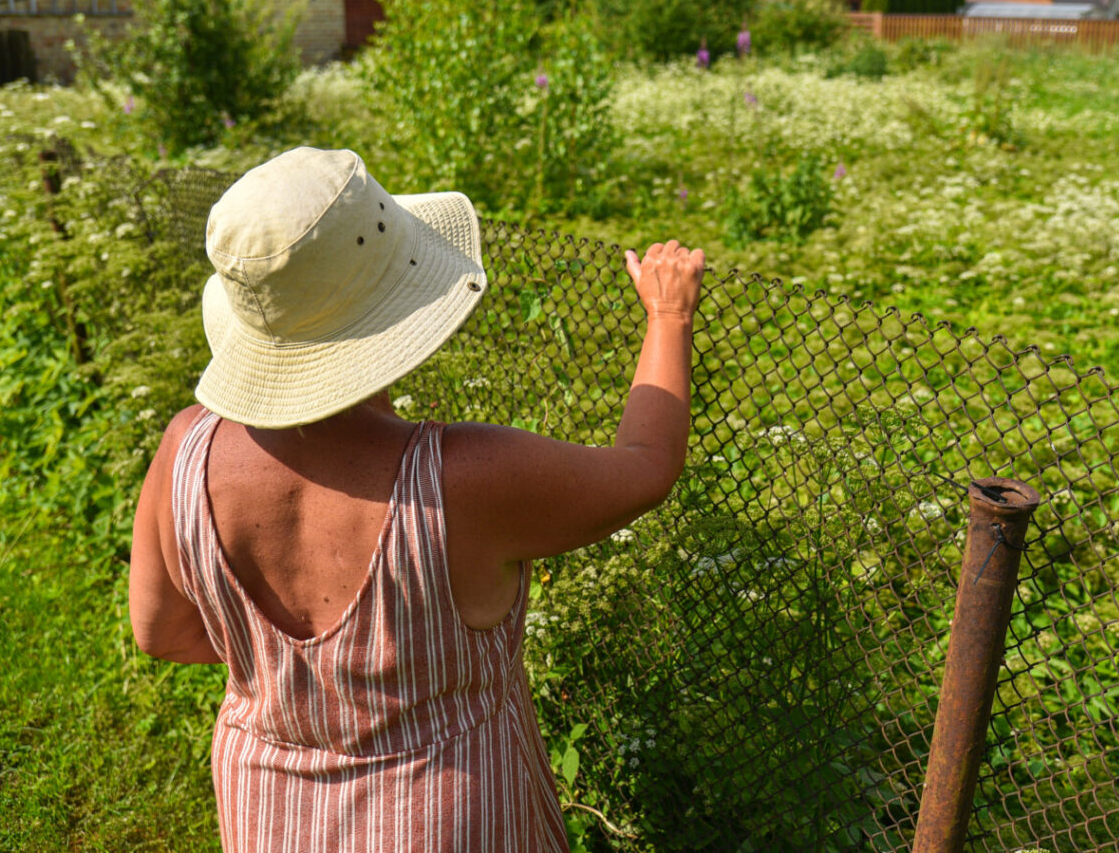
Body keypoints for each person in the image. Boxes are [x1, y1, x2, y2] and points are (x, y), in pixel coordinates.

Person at [128, 147, 705, 852]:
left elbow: (161, 632)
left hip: (270, 812)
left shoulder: (185, 451)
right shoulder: (459, 479)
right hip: (448, 818)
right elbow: (645, 467)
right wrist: (668, 316)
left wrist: (306, 691)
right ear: (390, 305)